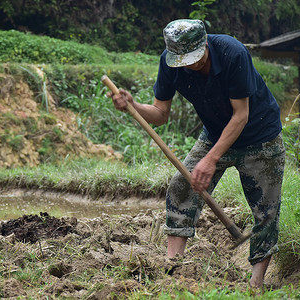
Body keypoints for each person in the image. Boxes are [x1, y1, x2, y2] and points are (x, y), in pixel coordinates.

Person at [108, 19, 285, 289]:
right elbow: (160, 114)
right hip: (215, 132)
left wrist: (211, 159)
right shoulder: (170, 63)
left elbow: (241, 116)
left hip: (261, 136)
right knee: (182, 186)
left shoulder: (232, 53)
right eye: (183, 60)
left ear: (205, 43)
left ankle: (256, 285)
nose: (190, 65)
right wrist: (132, 106)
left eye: (194, 58)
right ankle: (172, 266)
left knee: (266, 212)